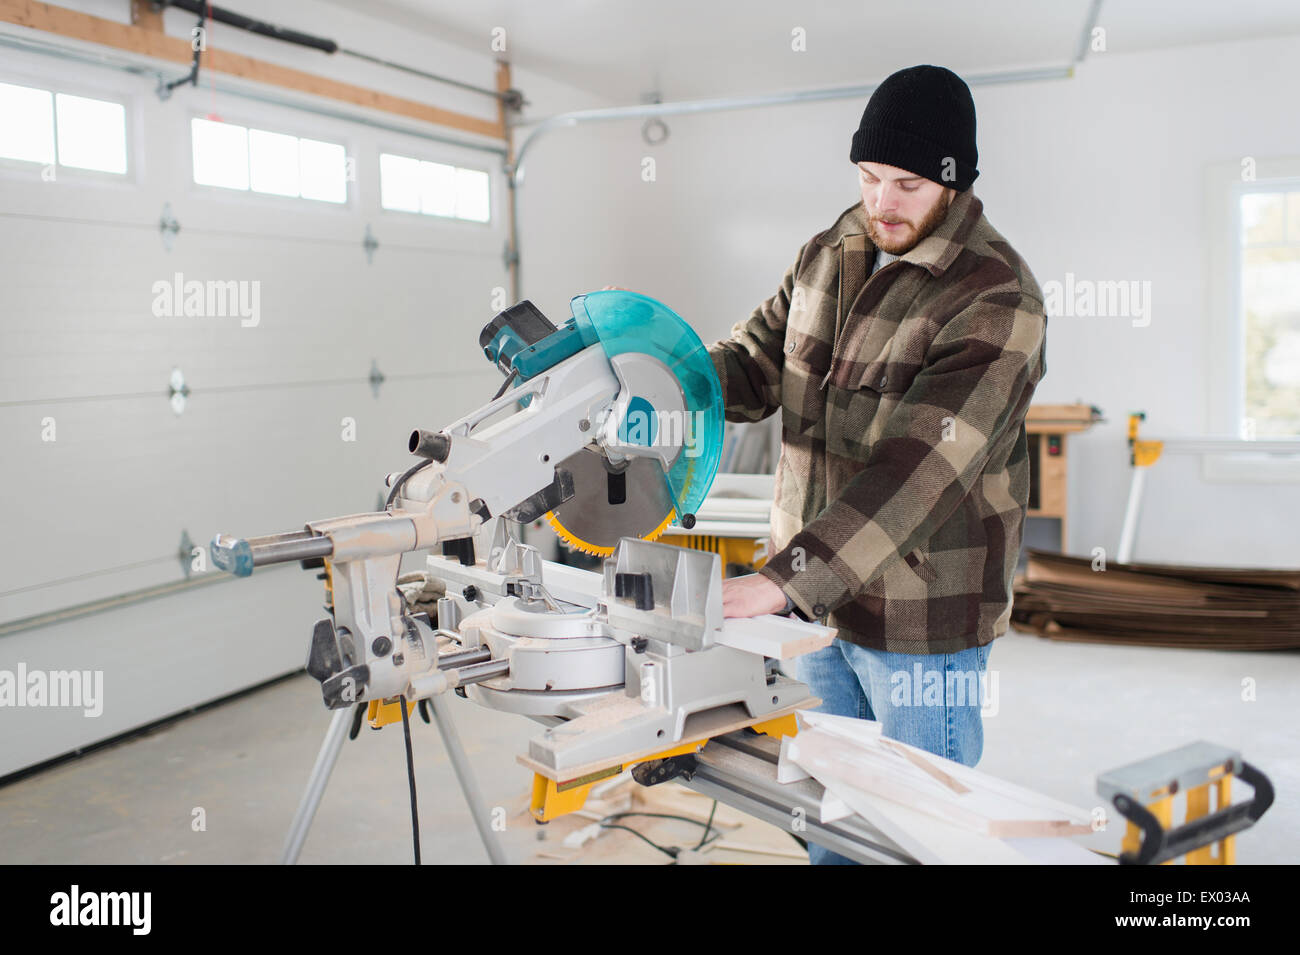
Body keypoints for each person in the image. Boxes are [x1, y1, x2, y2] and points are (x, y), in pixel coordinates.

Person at [710, 65, 1048, 864]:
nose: (881, 202)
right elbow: (754, 364)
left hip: (924, 616)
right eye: (867, 177)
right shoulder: (832, 250)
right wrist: (662, 379)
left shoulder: (997, 297)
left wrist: (782, 580)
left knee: (916, 827)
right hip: (818, 609)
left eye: (905, 183)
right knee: (832, 815)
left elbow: (919, 470)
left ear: (955, 184)